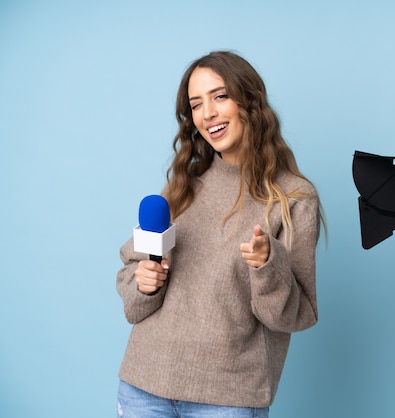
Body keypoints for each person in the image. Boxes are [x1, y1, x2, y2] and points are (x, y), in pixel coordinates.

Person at [116, 50, 324, 417]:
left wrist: (267, 264)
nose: (207, 113)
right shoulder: (182, 188)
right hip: (143, 384)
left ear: (251, 101)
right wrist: (144, 282)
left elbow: (297, 315)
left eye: (220, 96)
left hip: (227, 398)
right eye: (196, 104)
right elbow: (134, 301)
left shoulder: (292, 198)